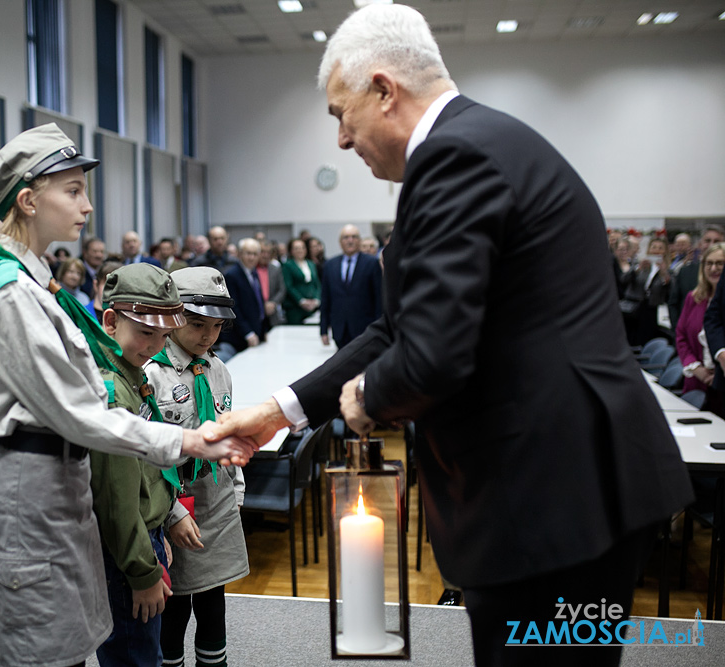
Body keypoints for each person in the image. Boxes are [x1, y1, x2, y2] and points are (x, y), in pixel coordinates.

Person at [206, 6, 692, 666]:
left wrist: (363, 399)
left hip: (548, 497)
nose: (342, 140)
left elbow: (430, 353)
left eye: (340, 114)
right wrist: (277, 411)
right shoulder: (483, 144)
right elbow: (394, 329)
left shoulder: (455, 155)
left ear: (384, 89)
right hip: (573, 489)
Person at [0, 123, 254, 667]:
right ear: (27, 199)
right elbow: (84, 413)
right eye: (72, 190)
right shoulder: (7, 292)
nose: (86, 206)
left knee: (71, 641)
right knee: (42, 649)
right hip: (34, 484)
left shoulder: (35, 285)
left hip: (61, 485)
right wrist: (189, 440)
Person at [145, 267, 248, 667]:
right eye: (197, 323)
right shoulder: (151, 373)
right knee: (174, 605)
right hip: (172, 504)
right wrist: (170, 514)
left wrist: (236, 493)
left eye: (217, 326)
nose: (207, 336)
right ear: (173, 317)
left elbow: (228, 431)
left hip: (216, 503)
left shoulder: (217, 369)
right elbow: (144, 457)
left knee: (213, 602)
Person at [89, 263, 188, 667]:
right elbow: (116, 497)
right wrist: (141, 570)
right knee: (135, 656)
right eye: (146, 332)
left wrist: (164, 519)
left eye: (164, 335)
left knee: (147, 650)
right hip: (125, 553)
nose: (155, 345)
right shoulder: (113, 391)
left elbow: (146, 472)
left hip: (144, 536)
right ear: (110, 321)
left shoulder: (131, 375)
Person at [319, 224, 382, 348]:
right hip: (340, 329)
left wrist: (379, 329)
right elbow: (325, 299)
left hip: (365, 329)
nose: (350, 240)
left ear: (359, 240)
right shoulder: (330, 265)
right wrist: (323, 330)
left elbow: (379, 298)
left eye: (354, 237)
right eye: (346, 237)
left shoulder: (371, 263)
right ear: (340, 242)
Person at [676, 243, 725, 400]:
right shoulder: (694, 298)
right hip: (696, 382)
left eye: (719, 263)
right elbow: (681, 335)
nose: (713, 269)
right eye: (709, 263)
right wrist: (696, 368)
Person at [668, 225, 725, 329]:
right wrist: (678, 332)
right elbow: (673, 303)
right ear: (700, 244)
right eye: (708, 241)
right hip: (688, 335)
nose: (712, 245)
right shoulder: (685, 271)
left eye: (716, 241)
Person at [221, 238, 266, 355]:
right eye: (248, 253)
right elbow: (234, 308)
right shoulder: (232, 275)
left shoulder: (254, 272)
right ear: (240, 254)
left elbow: (258, 303)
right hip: (239, 337)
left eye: (255, 254)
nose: (252, 257)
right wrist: (248, 333)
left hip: (255, 332)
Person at [623, 236, 670, 346]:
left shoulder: (668, 271)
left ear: (665, 251)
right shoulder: (640, 265)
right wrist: (638, 269)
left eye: (660, 248)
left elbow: (668, 291)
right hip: (633, 308)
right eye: (654, 247)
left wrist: (664, 274)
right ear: (649, 249)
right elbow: (624, 279)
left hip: (650, 309)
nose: (656, 250)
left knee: (645, 339)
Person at [281, 237, 321, 325]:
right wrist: (301, 301)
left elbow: (316, 284)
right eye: (297, 248)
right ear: (291, 251)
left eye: (303, 247)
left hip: (312, 306)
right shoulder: (287, 266)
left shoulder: (311, 264)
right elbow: (289, 286)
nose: (300, 250)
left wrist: (316, 299)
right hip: (295, 308)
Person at [256, 240, 286, 329]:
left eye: (268, 252)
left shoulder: (275, 269)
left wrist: (273, 303)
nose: (265, 255)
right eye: (262, 252)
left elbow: (282, 289)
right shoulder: (252, 269)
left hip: (272, 313)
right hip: (256, 313)